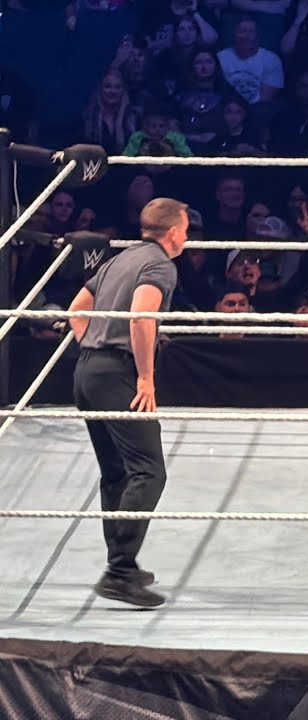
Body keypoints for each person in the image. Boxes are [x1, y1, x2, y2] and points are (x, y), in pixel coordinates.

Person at [65, 197, 190, 609]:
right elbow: (141, 318)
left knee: (116, 473)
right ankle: (119, 572)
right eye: (186, 230)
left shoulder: (120, 258)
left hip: (87, 372)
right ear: (174, 232)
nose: (187, 237)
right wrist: (145, 377)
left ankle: (122, 564)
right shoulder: (159, 265)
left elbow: (76, 311)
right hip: (117, 374)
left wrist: (95, 347)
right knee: (149, 471)